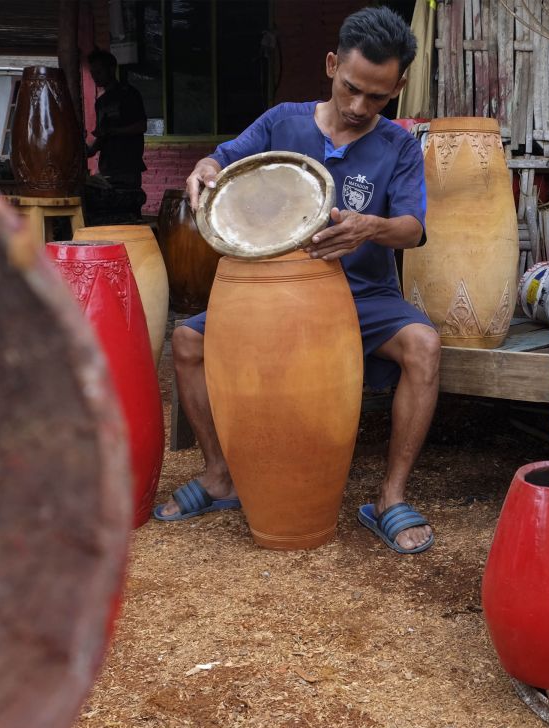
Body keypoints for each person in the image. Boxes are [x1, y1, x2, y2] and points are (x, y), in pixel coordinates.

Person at [154, 6, 440, 555]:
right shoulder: (280, 122)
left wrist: (371, 227)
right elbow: (222, 162)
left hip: (362, 299)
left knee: (424, 346)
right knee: (188, 341)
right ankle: (220, 477)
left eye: (377, 97)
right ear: (332, 65)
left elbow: (411, 229)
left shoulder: (400, 145)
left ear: (398, 87)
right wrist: (204, 169)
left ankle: (389, 497)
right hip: (273, 297)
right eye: (351, 88)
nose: (359, 107)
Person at [85, 49, 148, 222]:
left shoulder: (129, 94)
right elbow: (102, 135)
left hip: (128, 164)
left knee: (129, 209)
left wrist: (115, 131)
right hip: (107, 166)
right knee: (105, 211)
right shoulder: (101, 102)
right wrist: (89, 150)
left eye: (98, 71)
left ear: (112, 69)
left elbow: (141, 125)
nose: (95, 76)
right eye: (92, 73)